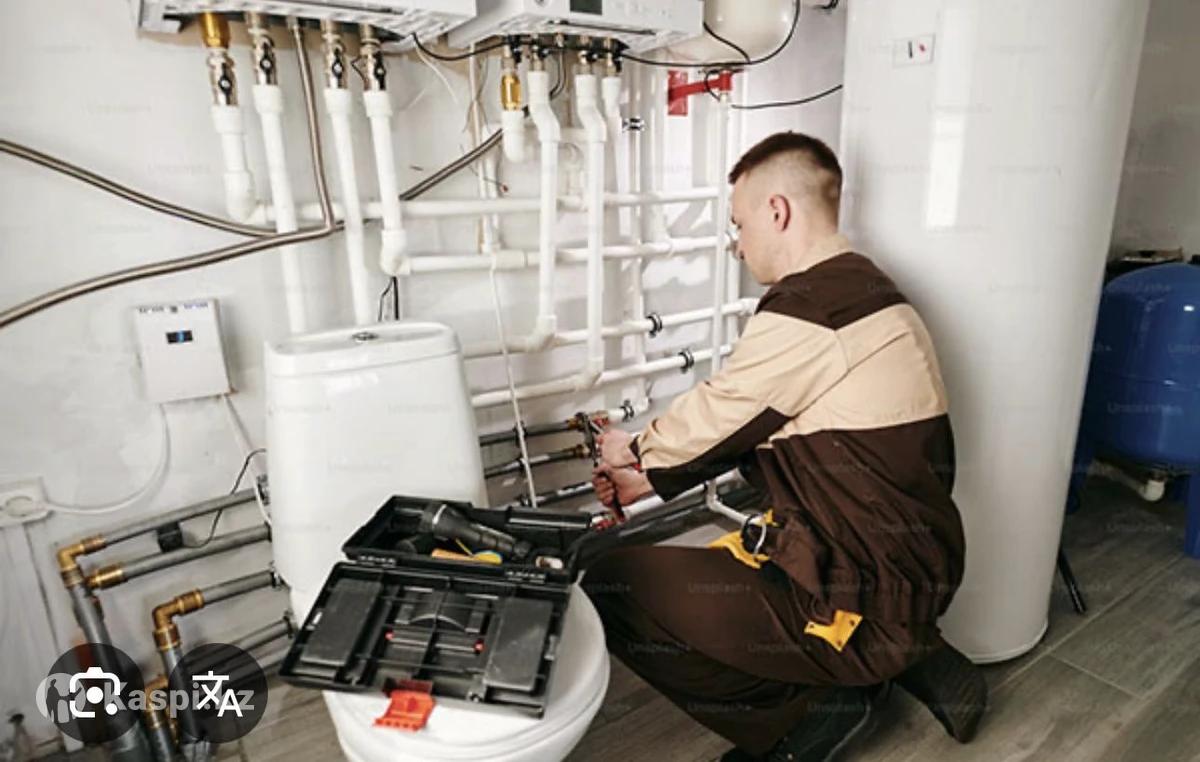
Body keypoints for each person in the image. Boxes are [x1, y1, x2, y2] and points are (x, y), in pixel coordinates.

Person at [583, 131, 986, 761]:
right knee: (725, 558)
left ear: (778, 211)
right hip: (908, 570)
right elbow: (771, 426)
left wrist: (632, 448)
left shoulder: (813, 306)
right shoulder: (871, 292)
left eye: (739, 225)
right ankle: (909, 650)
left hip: (861, 597)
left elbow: (723, 411)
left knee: (611, 585)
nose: (737, 244)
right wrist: (647, 479)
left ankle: (804, 723)